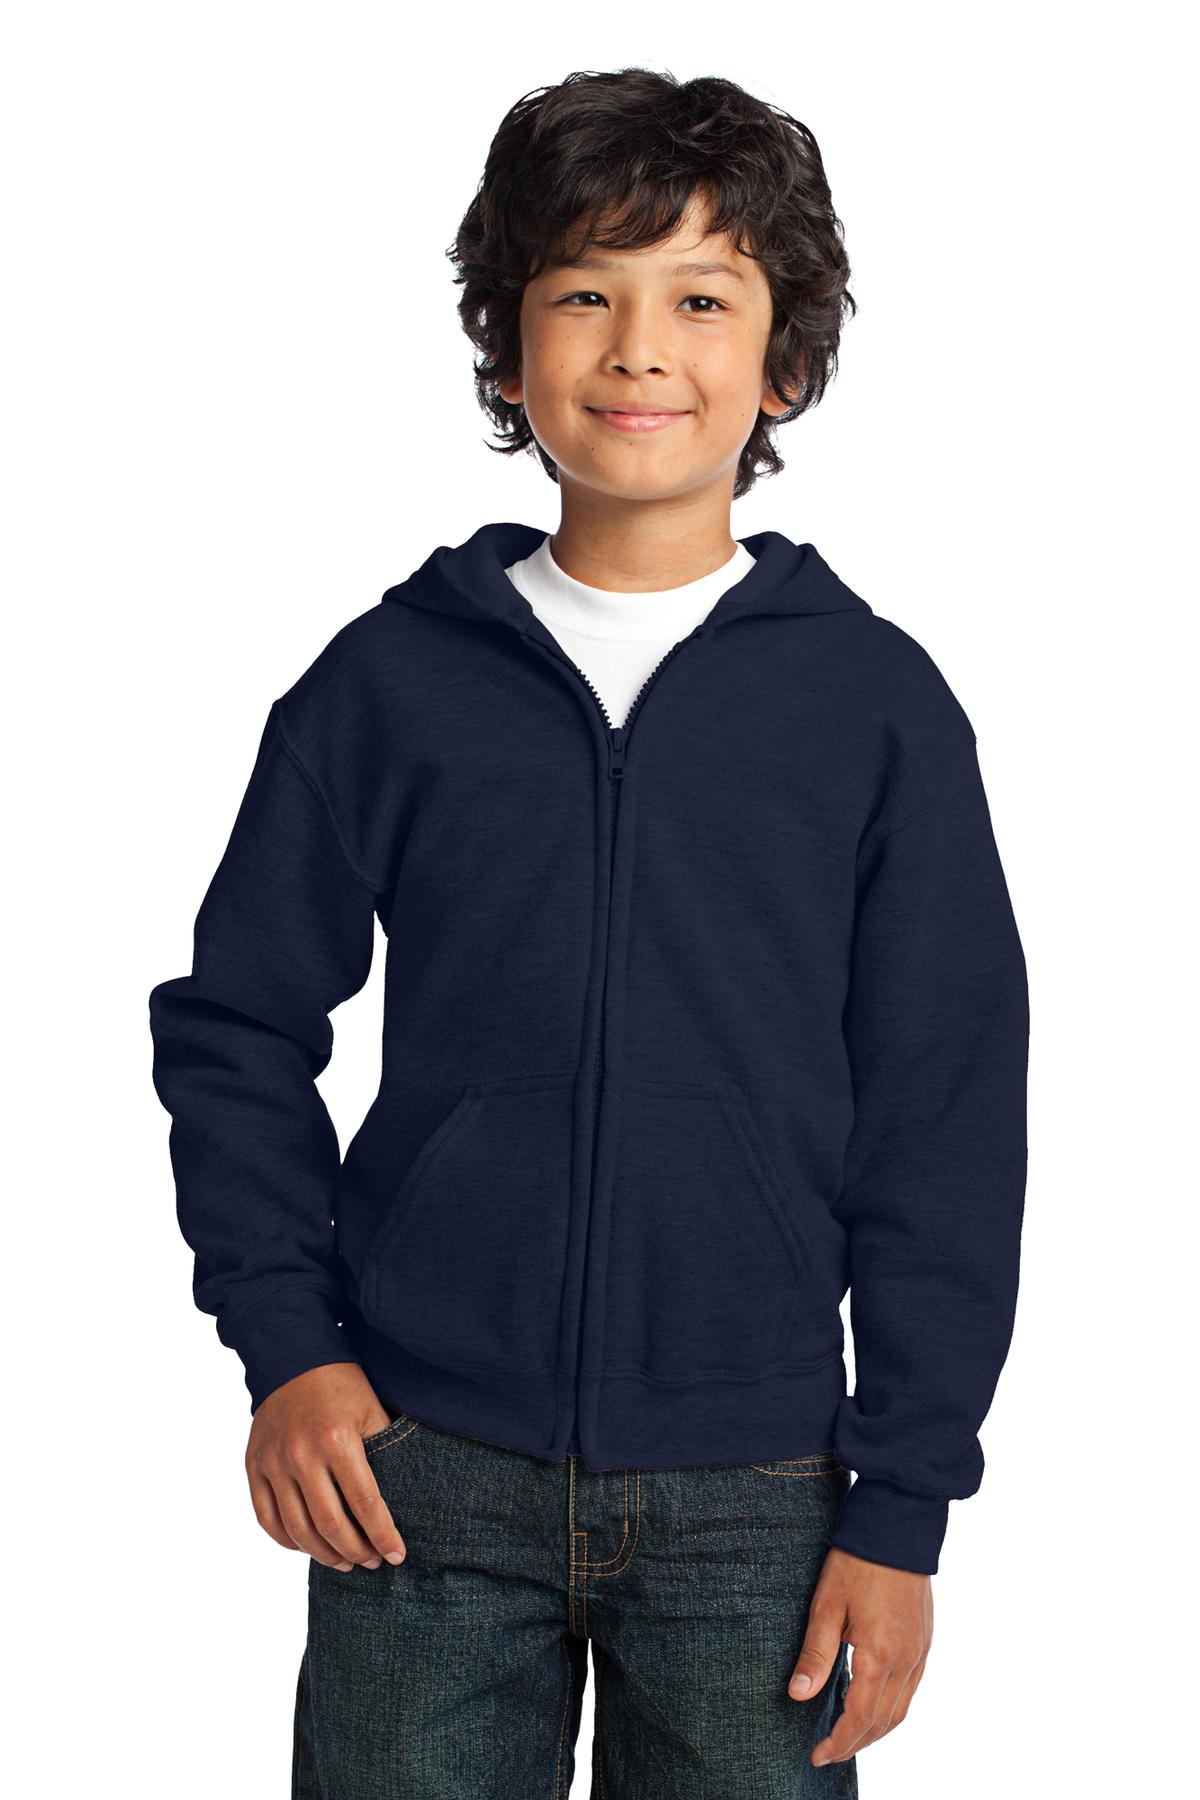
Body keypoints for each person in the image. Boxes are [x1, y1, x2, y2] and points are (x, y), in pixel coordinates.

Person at [148, 67, 1029, 1799]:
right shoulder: (388, 685)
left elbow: (946, 1110)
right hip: (417, 1476)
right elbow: (236, 1027)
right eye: (582, 295)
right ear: (507, 353)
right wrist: (293, 1349)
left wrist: (906, 1502)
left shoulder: (873, 709)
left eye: (702, 299)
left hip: (758, 1497)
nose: (638, 349)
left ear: (784, 363)